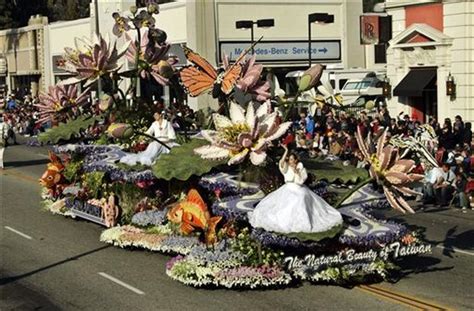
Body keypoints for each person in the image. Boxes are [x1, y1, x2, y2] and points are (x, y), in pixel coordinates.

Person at [248, 144, 343, 237]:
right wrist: (285, 151)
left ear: (296, 160)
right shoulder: (286, 168)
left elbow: (301, 181)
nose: (291, 161)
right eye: (289, 160)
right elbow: (281, 163)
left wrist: (297, 173)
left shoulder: (301, 169)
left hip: (299, 189)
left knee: (300, 199)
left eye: (292, 160)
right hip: (287, 188)